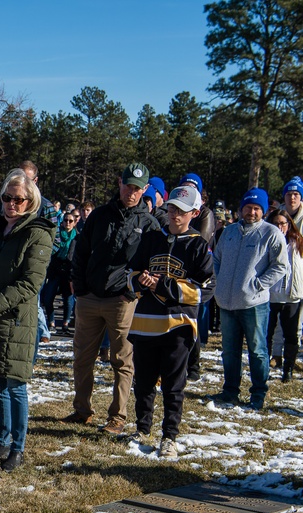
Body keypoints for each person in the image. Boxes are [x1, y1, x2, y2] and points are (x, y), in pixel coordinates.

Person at [0, 169, 54, 471]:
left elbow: (31, 282)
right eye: (7, 198)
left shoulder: (38, 232)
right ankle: (1, 439)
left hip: (15, 319)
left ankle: (18, 447)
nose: (11, 204)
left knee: (15, 385)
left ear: (31, 201)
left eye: (18, 199)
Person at [64, 163, 160, 434]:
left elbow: (152, 265)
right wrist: (80, 286)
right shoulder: (99, 216)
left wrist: (132, 291)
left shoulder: (149, 224)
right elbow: (81, 251)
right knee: (83, 356)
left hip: (122, 299)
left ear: (144, 190)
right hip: (90, 296)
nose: (132, 192)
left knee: (122, 359)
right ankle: (82, 410)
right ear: (120, 183)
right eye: (128, 186)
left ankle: (117, 416)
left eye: (138, 188)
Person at [126, 185, 214, 458]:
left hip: (178, 325)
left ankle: (170, 436)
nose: (175, 215)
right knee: (143, 381)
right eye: (172, 208)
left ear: (195, 213)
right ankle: (142, 428)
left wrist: (165, 285)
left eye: (182, 211)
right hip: (145, 322)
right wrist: (139, 281)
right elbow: (130, 273)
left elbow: (205, 289)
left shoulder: (199, 245)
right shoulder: (151, 238)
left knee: (173, 385)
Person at [211, 188, 288, 410]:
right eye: (248, 207)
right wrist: (219, 281)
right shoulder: (229, 232)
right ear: (241, 208)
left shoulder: (271, 233)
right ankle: (230, 390)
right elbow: (216, 259)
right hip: (226, 302)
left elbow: (281, 266)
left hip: (254, 303)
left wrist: (258, 284)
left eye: (256, 209)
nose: (251, 212)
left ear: (263, 211)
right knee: (230, 350)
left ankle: (258, 393)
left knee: (257, 350)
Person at [265, 208, 303, 382]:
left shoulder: (298, 242)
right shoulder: (265, 241)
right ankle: (264, 366)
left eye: (283, 223)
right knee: (266, 332)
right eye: (276, 223)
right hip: (269, 295)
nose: (279, 227)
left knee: (291, 334)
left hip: (291, 294)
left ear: (289, 225)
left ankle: (287, 370)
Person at [41, 208, 79, 334]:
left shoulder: (77, 238)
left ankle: (65, 324)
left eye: (70, 221)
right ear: (62, 222)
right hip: (55, 270)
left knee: (68, 300)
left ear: (74, 222)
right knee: (48, 298)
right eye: (65, 220)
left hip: (69, 272)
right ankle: (51, 322)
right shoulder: (56, 235)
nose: (67, 223)